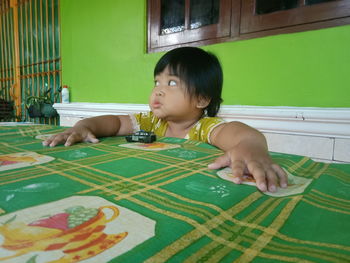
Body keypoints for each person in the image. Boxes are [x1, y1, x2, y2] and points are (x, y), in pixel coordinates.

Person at [43, 47, 287, 193]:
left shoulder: (205, 127)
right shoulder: (152, 122)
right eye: (156, 82)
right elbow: (115, 123)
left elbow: (244, 135)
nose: (158, 91)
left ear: (201, 99)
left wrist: (251, 150)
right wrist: (84, 126)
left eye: (171, 83)